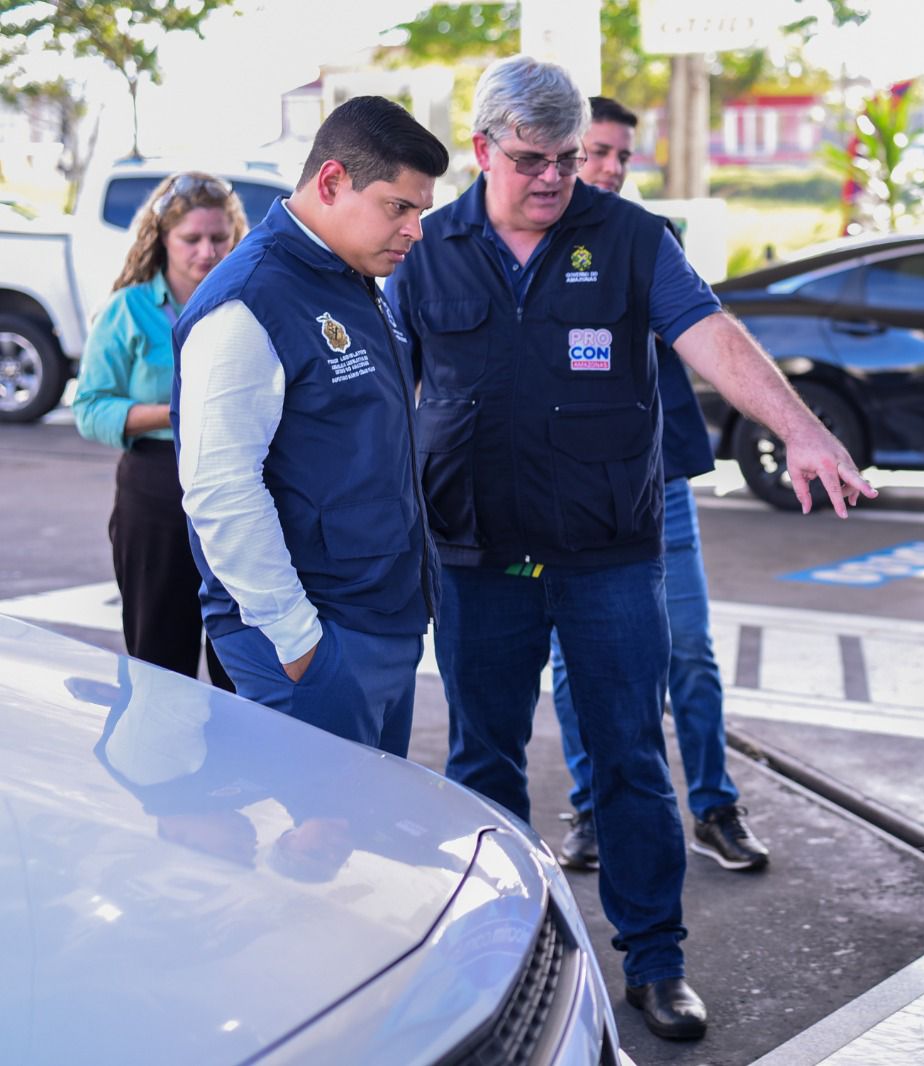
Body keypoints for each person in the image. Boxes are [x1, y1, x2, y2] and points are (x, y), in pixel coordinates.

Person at [387, 58, 875, 1042]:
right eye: (530, 159)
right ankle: (497, 957)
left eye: (568, 159)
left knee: (628, 759)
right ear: (481, 149)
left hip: (605, 553)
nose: (554, 178)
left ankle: (656, 961)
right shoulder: (424, 250)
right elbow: (378, 393)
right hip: (477, 555)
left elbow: (714, 336)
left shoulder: (629, 239)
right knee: (482, 759)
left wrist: (802, 429)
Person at [171, 96, 449, 756]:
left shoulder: (349, 277)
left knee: (371, 847)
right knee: (323, 853)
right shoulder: (251, 299)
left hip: (374, 621)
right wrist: (302, 648)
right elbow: (219, 489)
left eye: (421, 211)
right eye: (398, 207)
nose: (414, 230)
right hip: (316, 640)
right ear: (331, 182)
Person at [549, 96, 767, 876]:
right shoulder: (533, 243)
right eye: (597, 153)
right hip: (568, 492)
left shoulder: (649, 241)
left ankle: (714, 807)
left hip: (658, 482)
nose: (608, 168)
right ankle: (591, 809)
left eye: (620, 157)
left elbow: (698, 336)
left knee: (690, 652)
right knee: (575, 662)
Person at [73, 172, 245, 692]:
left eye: (219, 238)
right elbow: (90, 407)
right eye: (191, 239)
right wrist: (174, 411)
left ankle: (237, 774)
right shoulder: (129, 309)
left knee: (239, 662)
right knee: (159, 660)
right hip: (155, 486)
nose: (207, 251)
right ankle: (154, 771)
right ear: (162, 239)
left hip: (238, 485)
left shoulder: (248, 300)